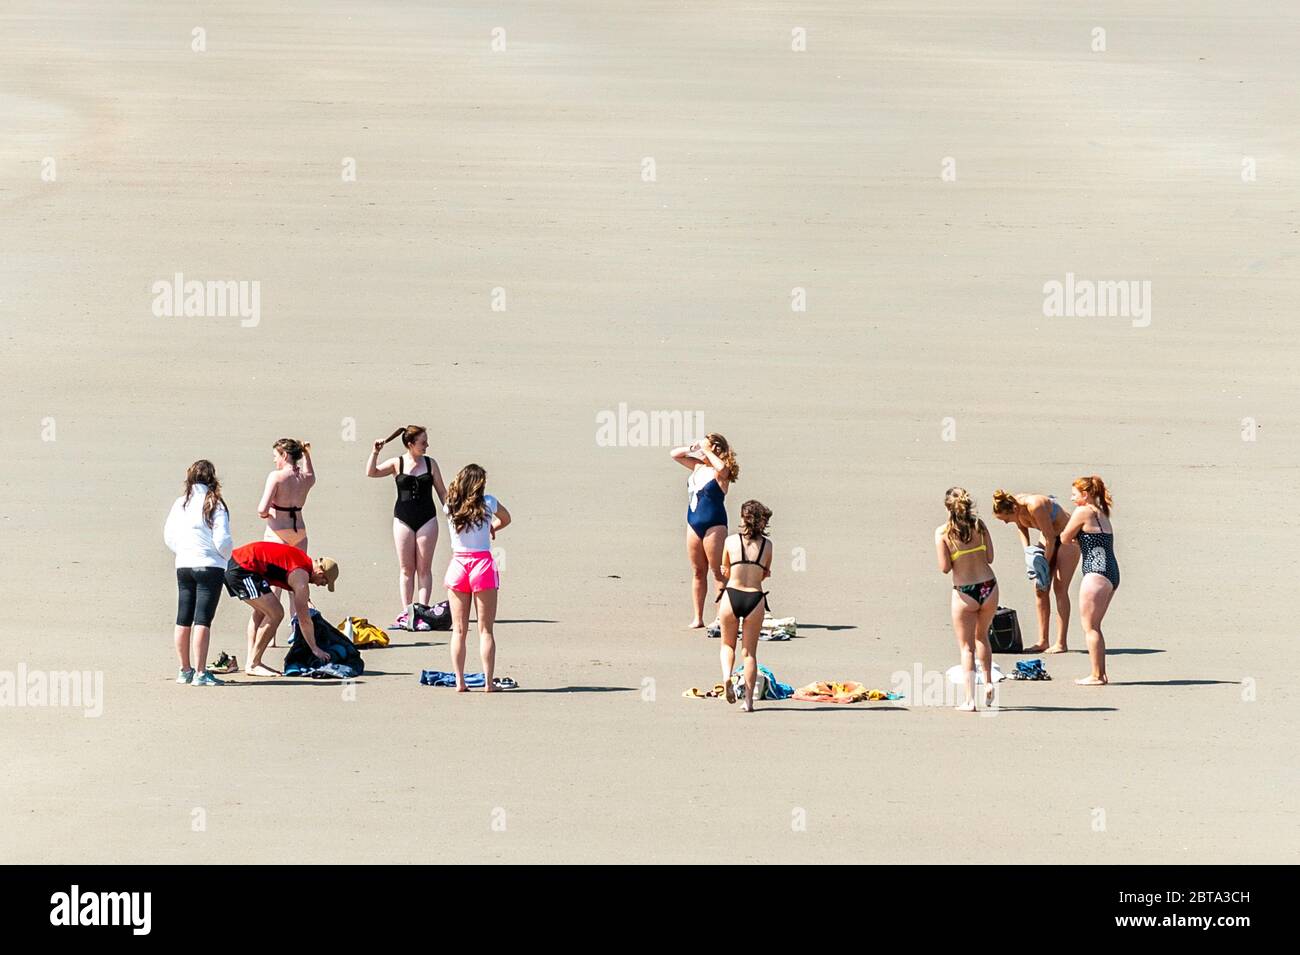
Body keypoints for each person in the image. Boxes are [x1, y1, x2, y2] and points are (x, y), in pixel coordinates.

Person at [364, 425, 448, 627]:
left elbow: (442, 493)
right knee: (406, 568)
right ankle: (406, 611)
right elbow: (371, 472)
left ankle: (423, 611)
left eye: (426, 441)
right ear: (410, 444)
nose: (426, 445)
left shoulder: (431, 464)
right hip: (402, 519)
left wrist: (452, 513)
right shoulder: (397, 463)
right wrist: (375, 452)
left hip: (427, 518)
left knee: (424, 568)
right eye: (422, 442)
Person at [164, 460, 233, 686]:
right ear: (212, 478)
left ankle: (185, 670)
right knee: (203, 619)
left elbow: (169, 535)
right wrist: (224, 557)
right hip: (209, 565)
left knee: (183, 618)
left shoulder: (180, 503)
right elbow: (222, 539)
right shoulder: (215, 503)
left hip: (184, 565)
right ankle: (201, 672)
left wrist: (184, 551)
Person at [223, 541, 338, 677]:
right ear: (320, 573)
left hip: (236, 564)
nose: (320, 585)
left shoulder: (302, 563)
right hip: (242, 568)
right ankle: (254, 664)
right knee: (276, 613)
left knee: (261, 611)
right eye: (323, 583)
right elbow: (304, 619)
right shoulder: (301, 577)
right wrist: (315, 648)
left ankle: (251, 661)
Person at [443, 464, 511, 692]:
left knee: (459, 630)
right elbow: (506, 518)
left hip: (459, 564)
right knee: (486, 630)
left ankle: (460, 681)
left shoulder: (450, 505)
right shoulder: (488, 502)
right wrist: (492, 527)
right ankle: (488, 683)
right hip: (482, 564)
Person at [991, 488, 1080, 653]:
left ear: (1014, 510)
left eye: (1005, 519)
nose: (1005, 523)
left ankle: (1061, 642)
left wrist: (1044, 565)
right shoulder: (1015, 504)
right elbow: (1022, 529)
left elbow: (1050, 538)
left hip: (1068, 539)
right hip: (1049, 538)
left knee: (1059, 588)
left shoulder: (1035, 505)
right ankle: (1043, 641)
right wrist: (1028, 554)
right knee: (1040, 589)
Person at [936, 487, 999, 711]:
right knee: (982, 637)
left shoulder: (942, 532)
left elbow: (944, 568)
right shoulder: (980, 526)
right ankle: (989, 683)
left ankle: (970, 699)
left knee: (966, 647)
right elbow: (990, 557)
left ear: (947, 508)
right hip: (988, 587)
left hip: (965, 591)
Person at [669, 433, 739, 629]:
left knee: (718, 572)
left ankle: (720, 617)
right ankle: (698, 617)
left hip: (714, 524)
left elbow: (723, 468)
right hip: (693, 523)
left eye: (707, 445)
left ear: (715, 449)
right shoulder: (698, 466)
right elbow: (675, 454)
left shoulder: (721, 473)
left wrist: (707, 450)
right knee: (698, 571)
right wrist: (695, 449)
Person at [1060, 475, 1120, 686]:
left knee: (1091, 627)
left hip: (1095, 572)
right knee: (1095, 625)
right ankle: (1099, 673)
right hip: (1111, 571)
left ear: (1085, 495)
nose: (1072, 497)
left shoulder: (1083, 511)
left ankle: (1097, 675)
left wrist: (1075, 538)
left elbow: (1065, 537)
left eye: (1074, 494)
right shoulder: (1102, 513)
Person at [716, 500, 773, 712]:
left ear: (743, 519)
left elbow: (726, 570)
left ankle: (726, 678)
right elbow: (764, 573)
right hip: (755, 599)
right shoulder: (768, 545)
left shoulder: (731, 541)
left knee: (727, 645)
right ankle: (748, 702)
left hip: (731, 595)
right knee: (749, 653)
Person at [259, 438, 315, 551]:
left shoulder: (276, 476)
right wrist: (306, 453)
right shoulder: (306, 478)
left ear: (284, 455)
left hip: (277, 532)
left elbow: (262, 510)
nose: (274, 460)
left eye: (275, 456)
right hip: (299, 533)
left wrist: (265, 514)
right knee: (299, 568)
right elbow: (309, 473)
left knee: (275, 568)